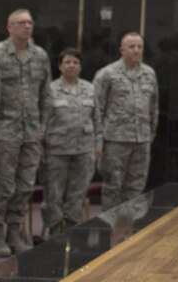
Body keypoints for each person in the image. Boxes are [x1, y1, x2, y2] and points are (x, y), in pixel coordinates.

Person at [0, 10, 49, 255]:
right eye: (21, 23)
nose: (27, 27)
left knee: (24, 186)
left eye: (30, 22)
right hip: (4, 131)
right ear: (9, 27)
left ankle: (14, 231)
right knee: (2, 186)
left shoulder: (39, 55)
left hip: (31, 132)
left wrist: (42, 126)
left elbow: (45, 94)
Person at [93, 32, 158, 205]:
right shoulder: (107, 74)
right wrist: (98, 142)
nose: (136, 50)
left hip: (141, 139)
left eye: (139, 47)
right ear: (122, 50)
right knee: (113, 188)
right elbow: (96, 110)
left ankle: (130, 228)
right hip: (115, 140)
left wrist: (150, 134)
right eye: (132, 47)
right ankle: (110, 228)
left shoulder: (149, 74)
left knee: (136, 187)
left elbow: (153, 108)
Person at [40, 48, 98, 238]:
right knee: (54, 193)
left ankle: (72, 228)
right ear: (59, 66)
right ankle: (55, 230)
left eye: (75, 62)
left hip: (84, 149)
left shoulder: (90, 88)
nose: (71, 66)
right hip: (56, 150)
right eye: (67, 62)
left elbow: (98, 119)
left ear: (80, 67)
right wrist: (40, 148)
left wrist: (99, 144)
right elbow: (43, 121)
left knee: (77, 192)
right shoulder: (50, 89)